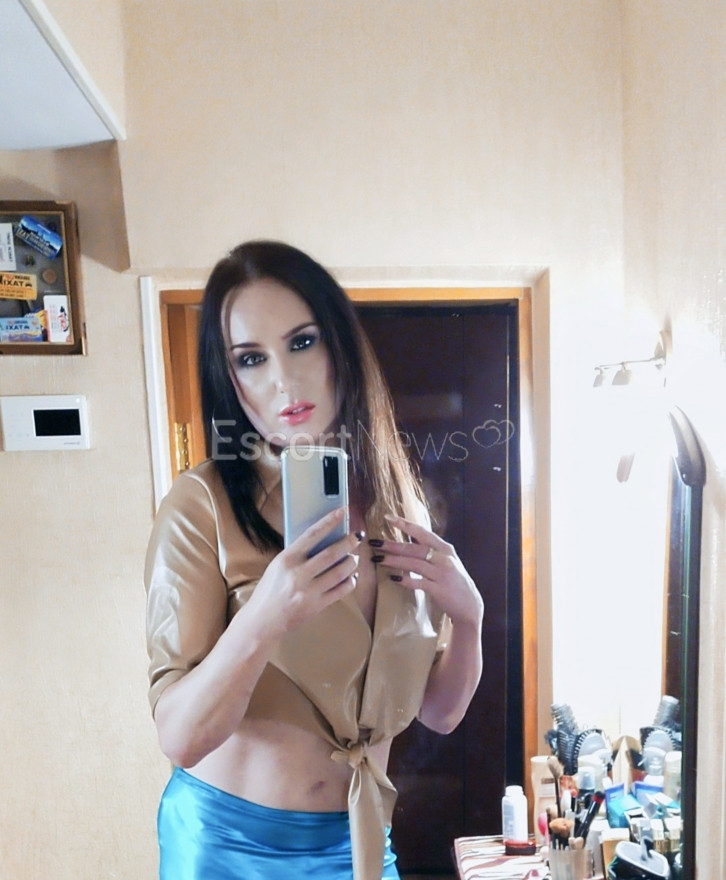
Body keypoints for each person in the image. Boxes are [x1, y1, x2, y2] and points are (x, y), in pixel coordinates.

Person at [144, 240, 484, 880]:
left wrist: (469, 616)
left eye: (302, 342)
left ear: (339, 347)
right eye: (251, 358)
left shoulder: (400, 504)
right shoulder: (202, 506)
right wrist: (264, 617)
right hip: (231, 849)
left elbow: (440, 714)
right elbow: (180, 738)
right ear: (230, 379)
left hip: (361, 842)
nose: (284, 379)